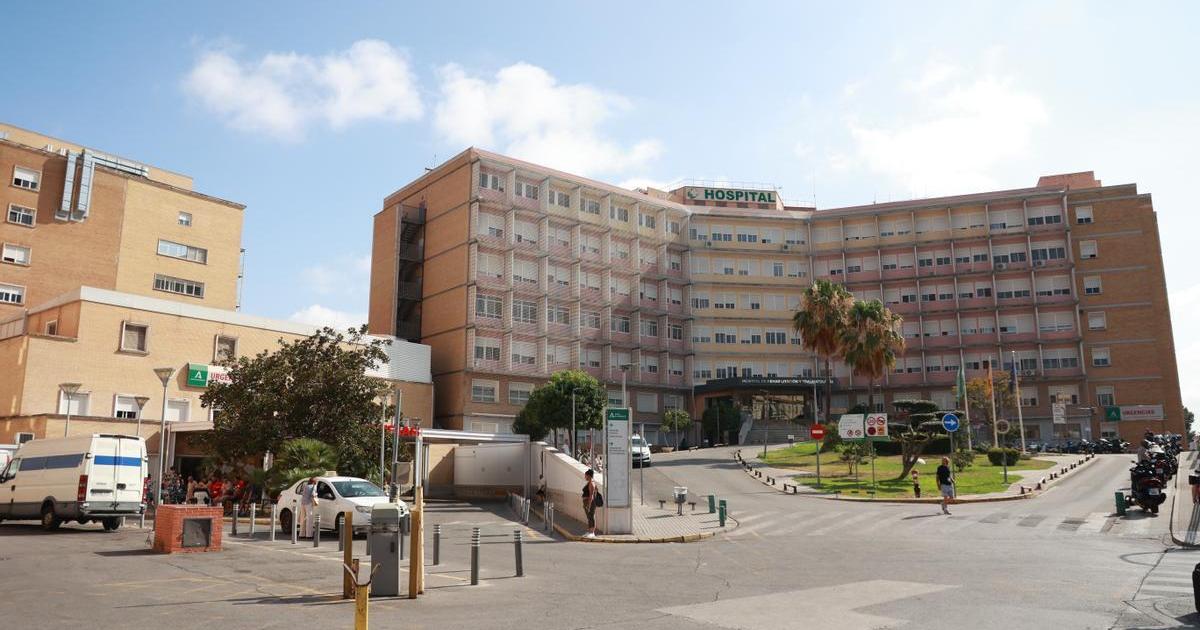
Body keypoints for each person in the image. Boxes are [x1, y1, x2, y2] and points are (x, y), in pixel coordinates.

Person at [582, 469, 598, 538]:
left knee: (591, 516)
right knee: (589, 517)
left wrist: (589, 504)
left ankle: (592, 532)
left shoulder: (591, 483)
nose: (585, 477)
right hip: (587, 502)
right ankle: (589, 531)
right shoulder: (589, 482)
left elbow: (591, 495)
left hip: (590, 502)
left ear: (588, 476)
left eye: (585, 475)